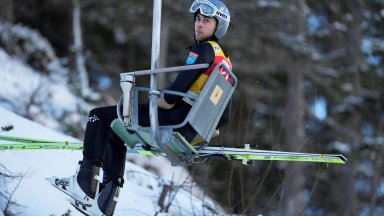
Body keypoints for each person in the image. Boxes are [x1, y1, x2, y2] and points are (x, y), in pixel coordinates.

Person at [48, 0, 232, 215]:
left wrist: (164, 100)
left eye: (206, 21)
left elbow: (178, 88)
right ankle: (104, 204)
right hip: (192, 128)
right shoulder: (225, 62)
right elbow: (225, 116)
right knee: (116, 133)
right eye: (198, 19)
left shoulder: (203, 50)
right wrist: (207, 124)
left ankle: (83, 184)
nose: (199, 25)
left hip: (175, 118)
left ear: (218, 26)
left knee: (98, 116)